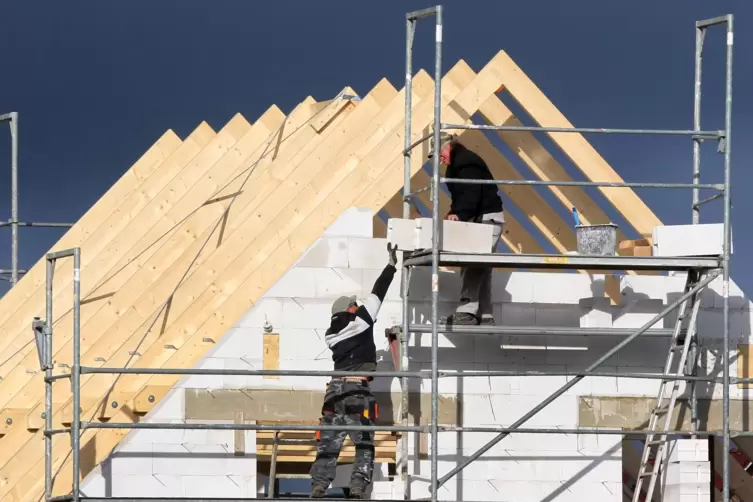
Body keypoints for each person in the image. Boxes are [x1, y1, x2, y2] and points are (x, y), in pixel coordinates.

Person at [310, 243, 398, 499]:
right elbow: (378, 292)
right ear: (350, 308)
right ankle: (358, 488)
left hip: (334, 391)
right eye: (355, 305)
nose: (358, 306)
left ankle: (318, 487)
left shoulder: (331, 335)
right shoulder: (360, 320)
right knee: (363, 442)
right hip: (358, 390)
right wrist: (390, 267)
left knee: (329, 443)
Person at [429, 131, 504, 327]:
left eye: (439, 154)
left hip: (486, 220)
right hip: (484, 219)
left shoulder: (465, 163)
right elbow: (461, 198)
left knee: (472, 263)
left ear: (447, 146)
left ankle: (467, 311)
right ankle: (485, 315)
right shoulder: (457, 166)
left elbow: (472, 193)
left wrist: (460, 215)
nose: (439, 159)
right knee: (482, 267)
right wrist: (454, 212)